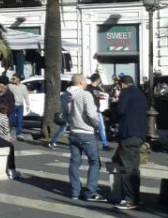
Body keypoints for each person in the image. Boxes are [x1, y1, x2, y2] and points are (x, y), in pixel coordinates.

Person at [60, 74, 106, 202]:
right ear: (80, 82)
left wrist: (71, 121)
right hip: (86, 132)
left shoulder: (64, 96)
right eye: (85, 81)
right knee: (94, 162)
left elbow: (62, 114)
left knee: (75, 162)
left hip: (73, 132)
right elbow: (91, 114)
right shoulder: (86, 95)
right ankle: (91, 192)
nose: (86, 83)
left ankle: (75, 192)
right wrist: (96, 125)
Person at [111, 75, 147, 210]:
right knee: (135, 169)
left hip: (128, 134)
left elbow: (120, 110)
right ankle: (136, 198)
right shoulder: (141, 94)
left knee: (126, 169)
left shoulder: (126, 93)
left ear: (123, 84)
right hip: (139, 135)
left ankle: (129, 200)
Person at [86, 74, 110, 151]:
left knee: (102, 127)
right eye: (99, 79)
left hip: (98, 110)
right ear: (97, 79)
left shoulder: (98, 88)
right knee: (92, 127)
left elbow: (104, 95)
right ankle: (90, 143)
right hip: (91, 110)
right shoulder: (88, 88)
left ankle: (105, 144)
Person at [8, 74, 29, 140]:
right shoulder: (10, 86)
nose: (13, 79)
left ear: (18, 79)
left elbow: (26, 96)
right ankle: (8, 133)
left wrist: (27, 104)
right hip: (13, 105)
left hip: (20, 105)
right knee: (11, 120)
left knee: (19, 120)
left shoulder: (23, 87)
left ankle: (19, 134)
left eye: (15, 78)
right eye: (13, 78)